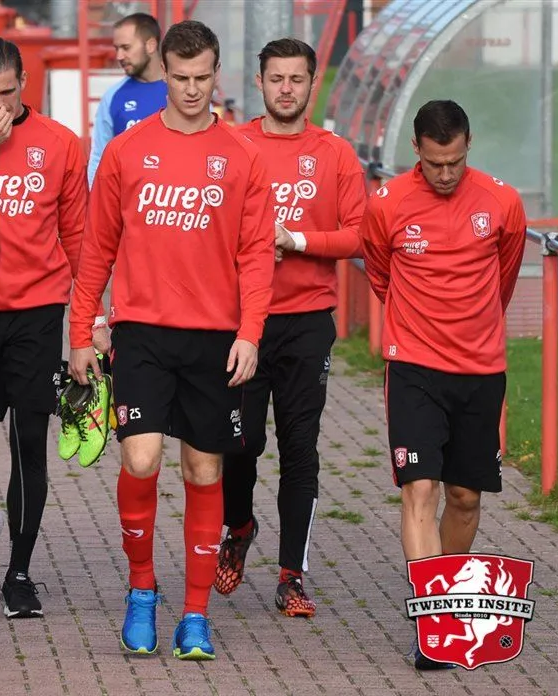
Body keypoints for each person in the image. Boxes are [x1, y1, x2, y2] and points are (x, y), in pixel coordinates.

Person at [69, 20, 274, 660]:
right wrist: (82, 331)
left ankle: (194, 614)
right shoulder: (129, 150)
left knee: (204, 468)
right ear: (164, 71)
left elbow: (256, 255)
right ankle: (141, 591)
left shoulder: (242, 154)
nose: (190, 89)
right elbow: (97, 248)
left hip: (214, 339)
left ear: (216, 75)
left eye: (201, 77)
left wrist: (250, 333)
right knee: (140, 460)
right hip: (142, 334)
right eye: (180, 77)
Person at [0, 37, 107, 618]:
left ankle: (20, 571)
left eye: (7, 93)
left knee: (27, 442)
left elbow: (78, 236)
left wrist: (91, 320)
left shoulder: (59, 142)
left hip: (36, 311)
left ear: (24, 83)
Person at [359, 99, 526, 670]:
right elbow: (380, 273)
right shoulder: (387, 204)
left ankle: (450, 595)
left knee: (464, 497)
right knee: (420, 490)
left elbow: (503, 278)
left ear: (468, 145)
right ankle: (435, 625)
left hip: (481, 370)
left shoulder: (502, 202)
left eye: (454, 161)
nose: (446, 173)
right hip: (414, 368)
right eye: (434, 164)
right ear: (416, 151)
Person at [214, 38, 366, 617]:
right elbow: (209, 223)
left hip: (307, 323)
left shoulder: (335, 154)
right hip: (243, 323)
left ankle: (291, 576)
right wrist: (251, 248)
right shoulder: (234, 144)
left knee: (299, 447)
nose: (286, 89)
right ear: (259, 82)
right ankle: (240, 527)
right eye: (276, 78)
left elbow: (358, 236)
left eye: (296, 79)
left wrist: (294, 240)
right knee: (240, 442)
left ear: (311, 84)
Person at [87, 12, 167, 187]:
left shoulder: (184, 91)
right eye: (117, 48)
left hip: (176, 199)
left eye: (126, 47)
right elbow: (99, 157)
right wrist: (93, 198)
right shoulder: (113, 97)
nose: (119, 56)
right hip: (126, 201)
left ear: (151, 45)